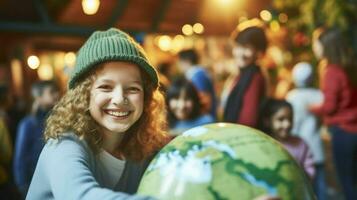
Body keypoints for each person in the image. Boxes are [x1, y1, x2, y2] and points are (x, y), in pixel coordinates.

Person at [26, 28, 168, 200]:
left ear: (145, 98)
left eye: (133, 89)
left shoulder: (140, 148)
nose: (119, 99)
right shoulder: (64, 145)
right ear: (83, 95)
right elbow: (81, 196)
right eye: (105, 87)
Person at [310, 28, 357, 200]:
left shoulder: (331, 71)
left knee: (347, 183)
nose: (314, 47)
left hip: (343, 132)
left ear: (325, 46)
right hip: (354, 129)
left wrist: (310, 107)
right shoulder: (348, 67)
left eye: (316, 43)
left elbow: (329, 106)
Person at [286, 62, 326, 200]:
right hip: (316, 146)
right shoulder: (319, 94)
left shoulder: (292, 96)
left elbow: (292, 124)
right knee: (321, 188)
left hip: (298, 149)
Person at [13, 80, 60, 197]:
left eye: (57, 91)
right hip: (34, 181)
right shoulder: (28, 124)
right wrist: (23, 186)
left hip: (56, 180)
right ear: (38, 97)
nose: (57, 94)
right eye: (52, 92)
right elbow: (20, 158)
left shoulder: (60, 119)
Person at [258, 98, 315, 179]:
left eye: (290, 119)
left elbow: (309, 170)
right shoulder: (262, 143)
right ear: (267, 121)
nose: (287, 124)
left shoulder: (301, 144)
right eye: (281, 119)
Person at [223, 26, 267, 128]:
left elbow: (248, 120)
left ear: (258, 52)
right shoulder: (243, 74)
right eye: (238, 46)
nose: (241, 53)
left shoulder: (254, 77)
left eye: (247, 48)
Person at [177, 49, 217, 119]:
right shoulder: (197, 73)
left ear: (186, 61)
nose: (178, 65)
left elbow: (204, 99)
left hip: (203, 118)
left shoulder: (198, 75)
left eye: (179, 62)